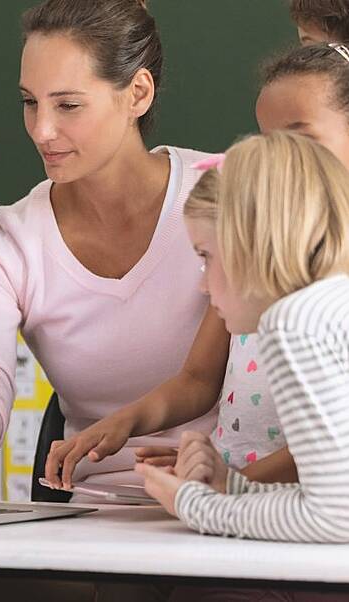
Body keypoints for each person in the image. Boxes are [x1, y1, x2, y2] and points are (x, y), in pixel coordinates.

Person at [0, 0, 217, 494]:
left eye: (68, 105)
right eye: (30, 102)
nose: (42, 130)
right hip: (90, 515)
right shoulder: (7, 242)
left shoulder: (231, 191)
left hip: (237, 500)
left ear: (137, 93)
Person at [138, 131, 349, 547]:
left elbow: (336, 518)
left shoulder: (294, 324)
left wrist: (196, 505)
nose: (202, 285)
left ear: (250, 244)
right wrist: (233, 488)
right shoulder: (331, 305)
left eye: (205, 256)